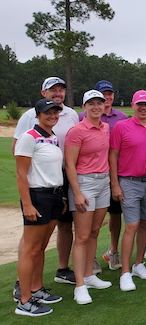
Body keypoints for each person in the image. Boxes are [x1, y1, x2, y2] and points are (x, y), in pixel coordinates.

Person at [13, 77, 78, 286]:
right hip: (37, 184)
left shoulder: (69, 116)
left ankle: (55, 273)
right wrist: (29, 199)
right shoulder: (29, 119)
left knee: (60, 229)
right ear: (43, 93)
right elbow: (19, 155)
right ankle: (22, 283)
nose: (58, 93)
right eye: (53, 90)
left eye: (61, 90)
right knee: (32, 240)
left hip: (59, 182)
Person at [14, 99, 65, 317]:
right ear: (38, 115)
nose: (52, 116)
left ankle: (36, 288)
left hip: (54, 196)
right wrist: (27, 204)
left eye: (55, 112)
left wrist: (60, 197)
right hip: (37, 197)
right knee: (31, 249)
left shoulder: (52, 138)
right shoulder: (29, 138)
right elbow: (21, 174)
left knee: (41, 247)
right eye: (48, 113)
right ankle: (24, 300)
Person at [110, 90, 146, 291]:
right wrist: (115, 183)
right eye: (139, 104)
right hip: (128, 181)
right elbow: (113, 156)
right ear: (133, 105)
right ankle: (125, 272)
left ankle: (138, 264)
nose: (143, 108)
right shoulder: (121, 127)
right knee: (131, 226)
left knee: (145, 224)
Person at [65, 90, 114, 305]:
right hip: (85, 184)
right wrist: (76, 192)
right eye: (91, 103)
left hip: (103, 183)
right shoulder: (77, 131)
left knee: (94, 231)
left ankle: (89, 275)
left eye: (99, 103)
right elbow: (70, 165)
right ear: (84, 107)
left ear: (104, 106)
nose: (96, 107)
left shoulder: (105, 127)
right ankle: (79, 286)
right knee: (82, 236)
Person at [85, 80, 127, 272]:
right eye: (104, 94)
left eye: (109, 94)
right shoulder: (83, 117)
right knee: (92, 218)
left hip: (116, 173)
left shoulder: (122, 117)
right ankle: (90, 257)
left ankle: (113, 251)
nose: (107, 97)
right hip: (92, 174)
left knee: (115, 215)